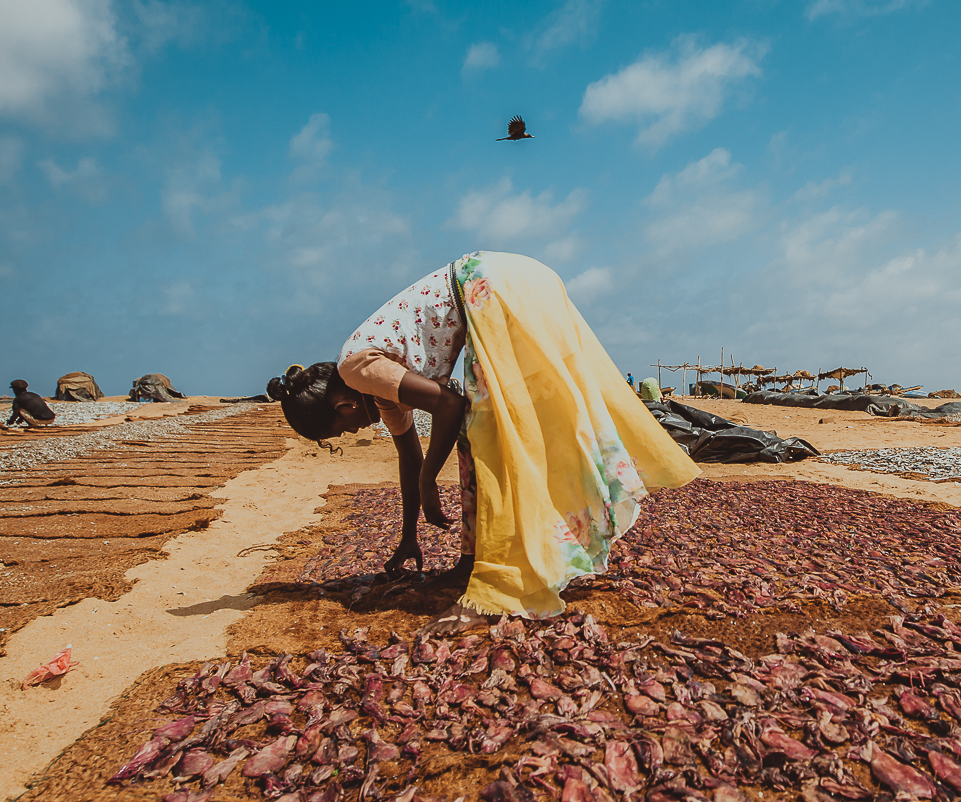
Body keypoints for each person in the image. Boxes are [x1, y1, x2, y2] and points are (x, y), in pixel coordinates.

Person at [277, 252, 699, 631]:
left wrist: (429, 482)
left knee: (489, 439)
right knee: (525, 425)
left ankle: (497, 582)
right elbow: (409, 457)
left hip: (489, 287)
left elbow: (448, 406)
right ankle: (474, 563)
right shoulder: (378, 386)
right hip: (523, 277)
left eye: (343, 431)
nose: (354, 432)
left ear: (343, 407)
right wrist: (408, 536)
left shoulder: (357, 369)